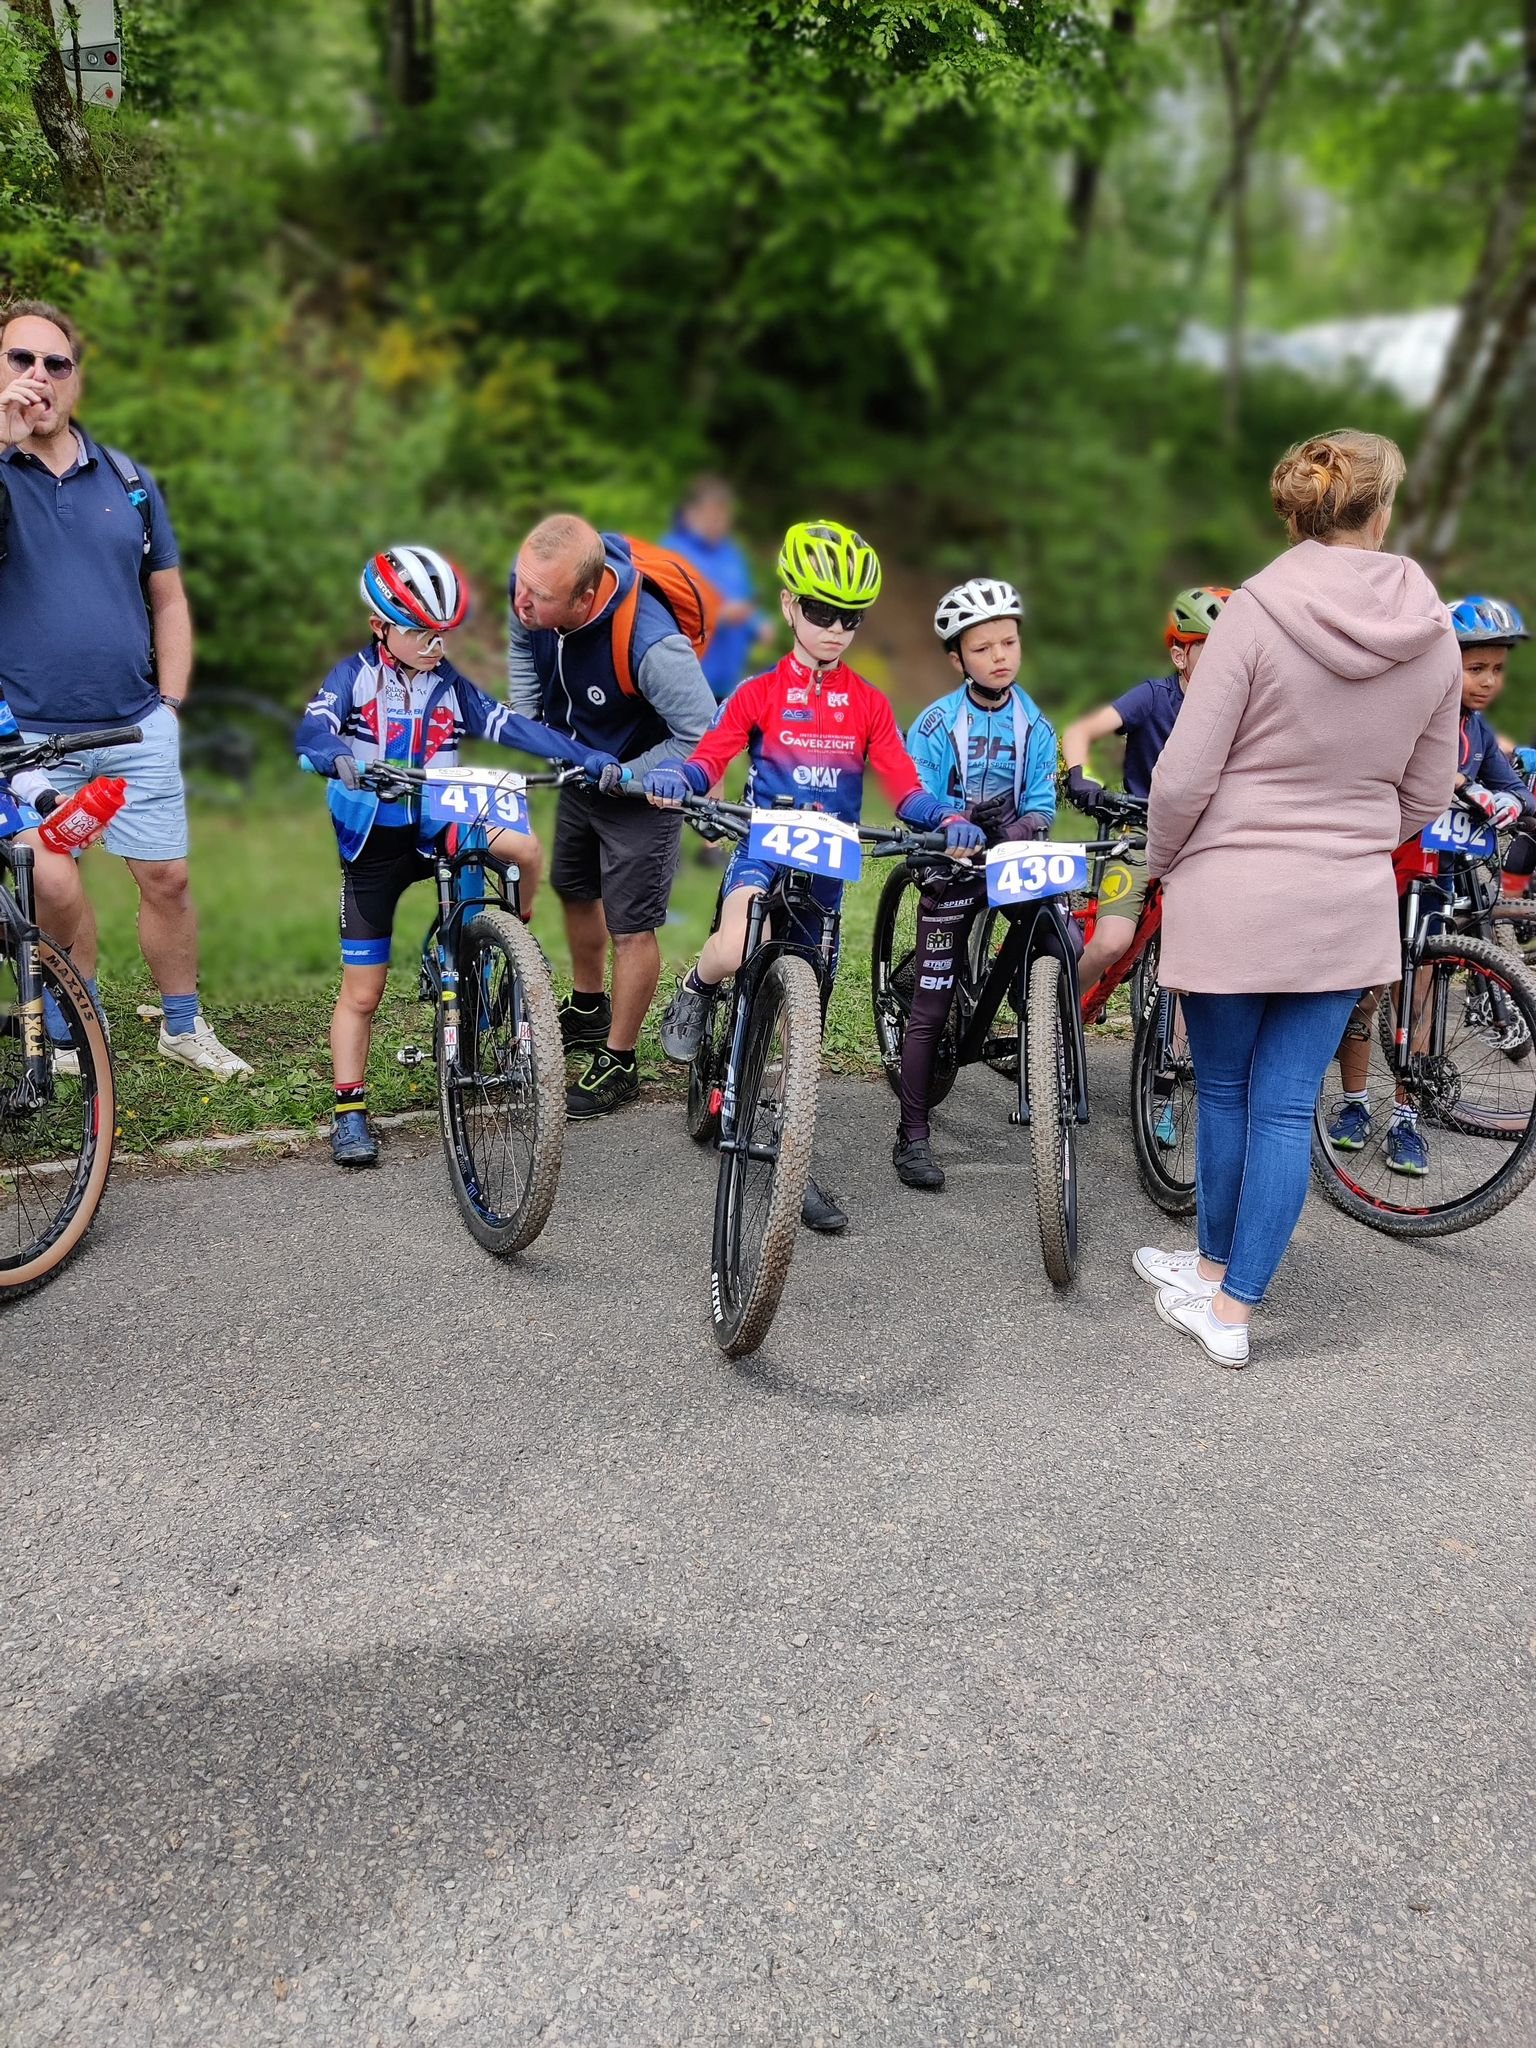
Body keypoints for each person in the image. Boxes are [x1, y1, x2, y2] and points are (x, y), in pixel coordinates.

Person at [1135, 429, 1459, 1369]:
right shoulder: (1435, 636)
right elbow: (1426, 792)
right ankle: (1224, 1293)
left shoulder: (1254, 613)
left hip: (1231, 886)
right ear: (1382, 509)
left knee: (1225, 1093)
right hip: (1345, 897)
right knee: (1285, 1110)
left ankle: (1219, 1285)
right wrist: (1357, 836)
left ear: (1296, 513)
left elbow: (1184, 773)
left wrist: (1164, 861)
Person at [644, 519, 985, 1233]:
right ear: (790, 605)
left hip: (825, 873)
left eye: (850, 618)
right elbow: (710, 758)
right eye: (822, 612)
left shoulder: (869, 703)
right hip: (763, 851)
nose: (834, 630)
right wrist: (683, 778)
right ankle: (697, 988)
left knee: (804, 1023)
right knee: (738, 943)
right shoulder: (759, 692)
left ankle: (788, 1151)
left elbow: (905, 788)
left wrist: (945, 816)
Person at [297, 546, 612, 1167]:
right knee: (363, 993)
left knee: (523, 846)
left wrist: (584, 755)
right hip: (374, 841)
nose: (435, 646)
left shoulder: (448, 684)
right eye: (421, 633)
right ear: (380, 627)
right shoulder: (354, 676)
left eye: (442, 634)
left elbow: (511, 726)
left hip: (441, 822)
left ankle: (506, 938)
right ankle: (349, 1110)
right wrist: (335, 755)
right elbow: (313, 729)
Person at [0, 298, 249, 1079]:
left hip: (135, 728)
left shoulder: (127, 479)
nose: (38, 376)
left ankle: (183, 1025)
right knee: (55, 888)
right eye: (20, 359)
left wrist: (169, 704)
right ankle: (80, 1028)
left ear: (76, 379)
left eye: (55, 363)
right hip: (30, 737)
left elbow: (166, 598)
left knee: (167, 880)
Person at [507, 514, 717, 1119]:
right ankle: (588, 1004)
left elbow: (701, 736)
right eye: (521, 584)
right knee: (574, 887)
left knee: (631, 927)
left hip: (641, 789)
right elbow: (522, 641)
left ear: (583, 597)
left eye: (539, 595)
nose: (522, 602)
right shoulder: (531, 593)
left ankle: (620, 1059)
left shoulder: (650, 644)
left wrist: (626, 776)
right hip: (581, 771)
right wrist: (531, 720)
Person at [1327, 591, 1536, 1174]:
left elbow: (1512, 788)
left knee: (1418, 998)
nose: (1488, 681)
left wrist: (1509, 801)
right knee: (1367, 990)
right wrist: (1455, 784)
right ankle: (1353, 1102)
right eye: (1476, 668)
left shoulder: (1478, 731)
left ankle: (1405, 1116)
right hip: (1386, 870)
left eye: (1497, 669)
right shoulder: (1411, 710)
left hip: (1440, 877)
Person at [891, 578, 1057, 1191]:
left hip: (1008, 861)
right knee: (931, 1005)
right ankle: (911, 1134)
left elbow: (1042, 804)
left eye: (1009, 642)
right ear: (956, 658)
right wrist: (953, 820)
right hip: (951, 864)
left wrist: (1018, 826)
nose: (999, 656)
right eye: (982, 648)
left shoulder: (1035, 725)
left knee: (1060, 937)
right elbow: (913, 796)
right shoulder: (938, 724)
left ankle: (1036, 1028)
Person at [1062, 587, 1232, 993]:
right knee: (1110, 942)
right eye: (1212, 649)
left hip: (1206, 840)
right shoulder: (1155, 698)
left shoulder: (1239, 708)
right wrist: (1081, 776)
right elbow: (1080, 731)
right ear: (1180, 656)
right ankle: (1056, 1012)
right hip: (1141, 832)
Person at [661, 477, 769, 704]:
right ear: (690, 513)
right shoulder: (671, 552)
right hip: (689, 683)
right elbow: (667, 610)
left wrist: (758, 624)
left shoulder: (732, 553)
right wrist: (717, 615)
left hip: (730, 681)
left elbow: (746, 598)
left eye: (723, 516)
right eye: (712, 516)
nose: (718, 523)